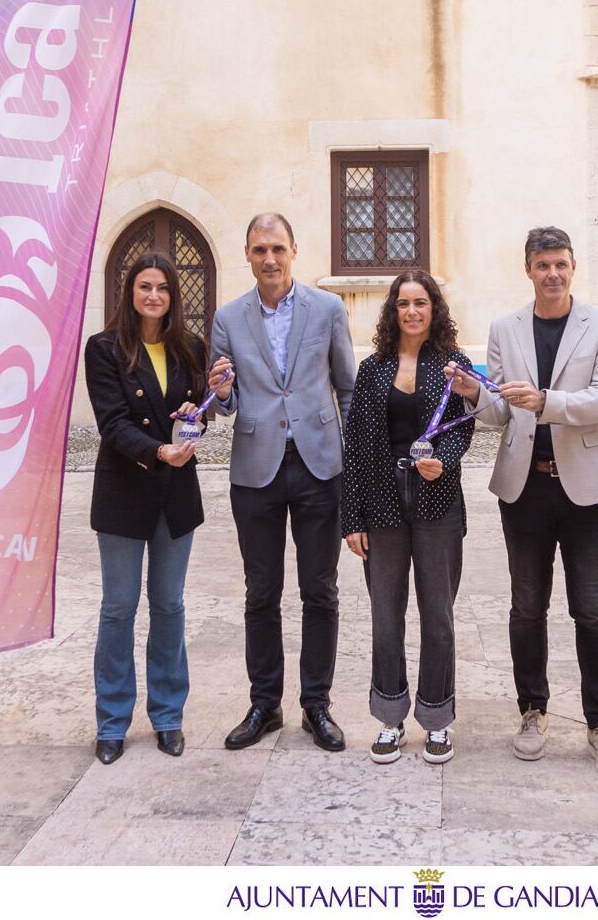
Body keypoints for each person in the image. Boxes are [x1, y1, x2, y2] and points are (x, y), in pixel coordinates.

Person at [450, 226, 598, 778]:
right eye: (542, 264)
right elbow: (504, 412)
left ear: (574, 267)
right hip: (523, 486)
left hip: (588, 488)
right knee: (527, 607)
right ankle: (533, 711)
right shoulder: (505, 328)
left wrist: (546, 400)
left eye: (561, 264)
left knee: (592, 609)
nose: (553, 273)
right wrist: (478, 395)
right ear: (528, 269)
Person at [207, 213, 357, 752]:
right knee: (261, 591)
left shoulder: (328, 308)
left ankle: (316, 705)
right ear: (246, 255)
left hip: (319, 465)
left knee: (320, 589)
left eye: (277, 248)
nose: (268, 259)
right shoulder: (227, 318)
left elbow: (347, 388)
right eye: (258, 250)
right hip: (256, 468)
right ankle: (264, 704)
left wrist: (354, 460)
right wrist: (221, 394)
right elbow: (224, 403)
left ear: (294, 250)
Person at [341, 271, 475, 766]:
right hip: (381, 503)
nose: (412, 312)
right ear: (393, 311)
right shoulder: (371, 367)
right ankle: (390, 716)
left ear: (434, 309)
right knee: (385, 616)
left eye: (421, 303)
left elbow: (464, 425)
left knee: (438, 616)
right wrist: (350, 517)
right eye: (403, 304)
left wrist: (446, 459)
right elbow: (354, 446)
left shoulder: (453, 364)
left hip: (438, 501)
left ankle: (437, 720)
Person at [82, 252, 209, 765]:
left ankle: (168, 716)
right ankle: (112, 721)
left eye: (162, 288)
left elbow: (199, 414)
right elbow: (112, 423)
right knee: (118, 608)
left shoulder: (190, 348)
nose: (154, 295)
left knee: (169, 606)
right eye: (144, 287)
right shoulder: (104, 348)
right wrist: (159, 450)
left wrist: (196, 412)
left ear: (173, 296)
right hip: (123, 494)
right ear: (129, 293)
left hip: (176, 496)